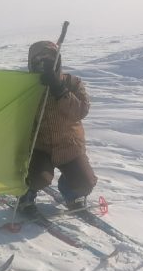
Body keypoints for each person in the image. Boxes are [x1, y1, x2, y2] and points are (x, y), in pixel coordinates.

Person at [17, 40, 97, 215]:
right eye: (39, 60)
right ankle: (26, 193)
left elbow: (81, 111)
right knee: (37, 178)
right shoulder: (26, 86)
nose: (44, 63)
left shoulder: (72, 83)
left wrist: (60, 89)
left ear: (58, 60)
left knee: (85, 182)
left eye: (50, 59)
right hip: (40, 147)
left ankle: (70, 191)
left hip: (69, 146)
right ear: (31, 62)